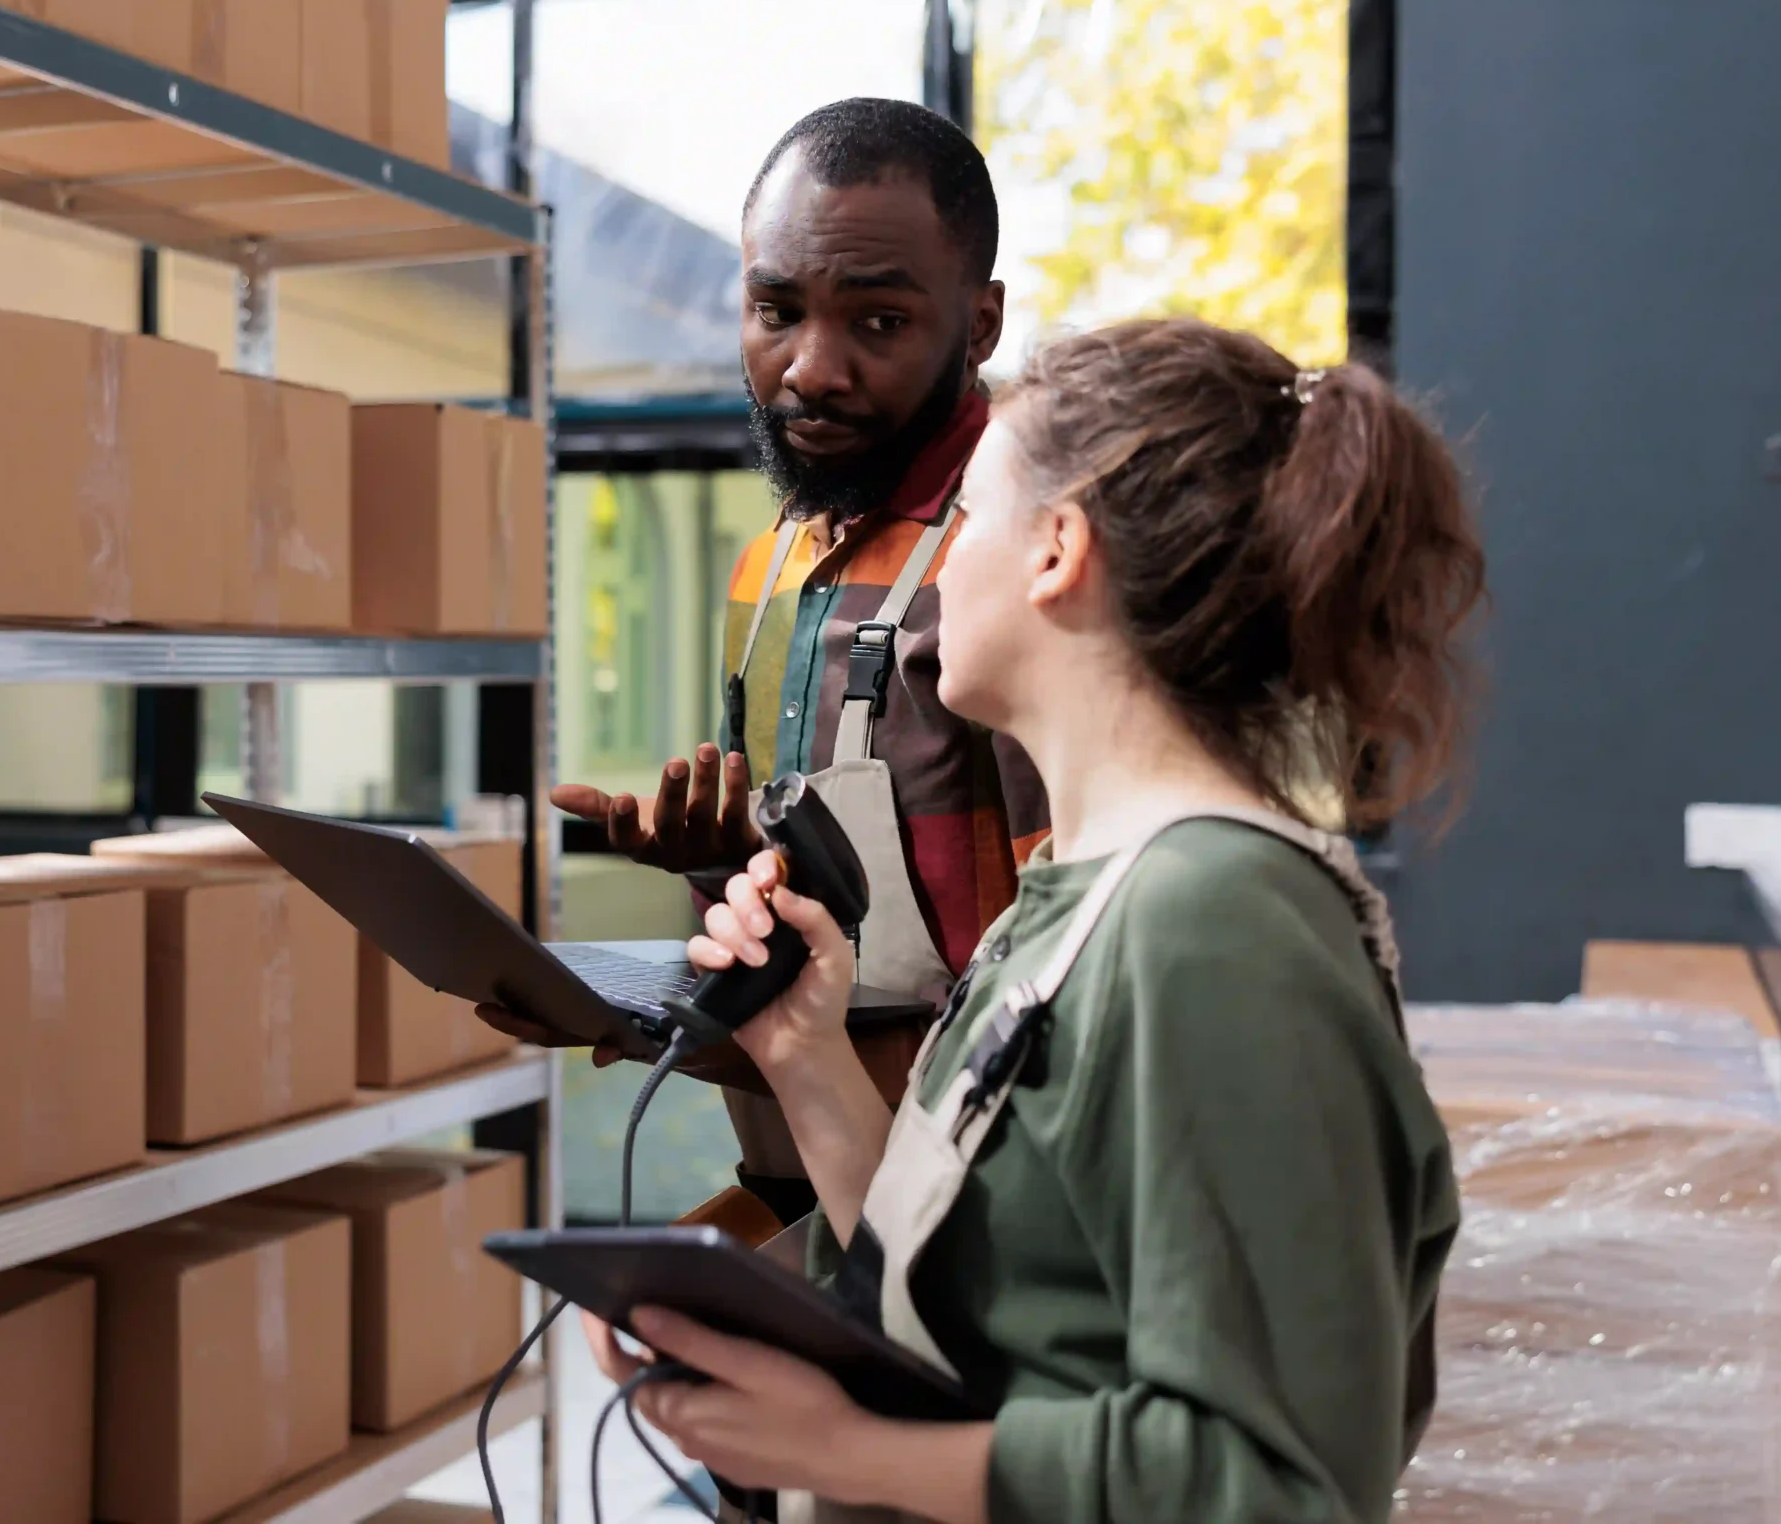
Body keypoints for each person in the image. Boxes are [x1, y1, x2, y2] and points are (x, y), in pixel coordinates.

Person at [586, 318, 1484, 1523]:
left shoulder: (1216, 927)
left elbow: (1277, 1482)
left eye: (966, 520)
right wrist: (802, 1050)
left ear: (1057, 550)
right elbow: (979, 1296)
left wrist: (842, 1451)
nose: (938, 566)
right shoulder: (1076, 893)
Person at [506, 99, 1049, 1220]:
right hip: (793, 1160)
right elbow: (809, 925)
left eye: (880, 323)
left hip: (969, 1199)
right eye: (776, 310)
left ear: (980, 324)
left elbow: (1074, 944)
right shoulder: (773, 565)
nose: (812, 370)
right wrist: (719, 861)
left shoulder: (1019, 554)